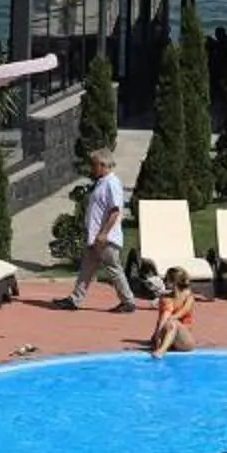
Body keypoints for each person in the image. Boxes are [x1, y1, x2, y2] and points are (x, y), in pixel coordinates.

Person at [65, 150, 138, 312]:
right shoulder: (102, 182)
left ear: (103, 165)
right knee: (87, 268)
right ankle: (74, 299)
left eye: (94, 165)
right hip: (95, 237)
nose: (92, 168)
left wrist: (104, 233)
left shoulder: (112, 183)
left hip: (105, 238)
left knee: (113, 267)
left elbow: (115, 211)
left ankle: (128, 301)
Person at [149, 266, 198, 358]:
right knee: (169, 322)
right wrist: (158, 334)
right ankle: (162, 345)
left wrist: (169, 320)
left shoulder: (189, 297)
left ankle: (161, 351)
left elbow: (183, 312)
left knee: (172, 322)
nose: (164, 282)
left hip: (183, 341)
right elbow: (163, 317)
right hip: (168, 334)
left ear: (174, 282)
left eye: (166, 279)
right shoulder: (166, 298)